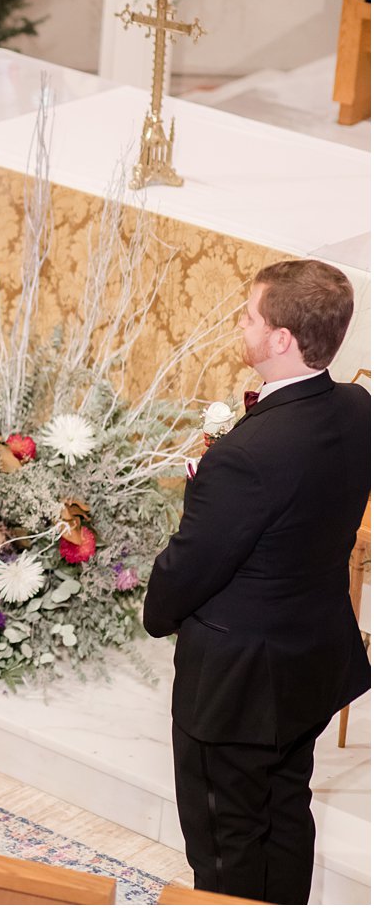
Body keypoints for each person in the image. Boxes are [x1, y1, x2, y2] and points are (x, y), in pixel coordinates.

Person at [144, 259, 370, 905]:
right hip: (309, 663)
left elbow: (188, 570)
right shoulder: (358, 408)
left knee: (227, 842)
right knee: (285, 815)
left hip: (236, 689)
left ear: (281, 339)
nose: (240, 324)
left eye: (249, 315)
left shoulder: (248, 455)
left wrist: (157, 611)